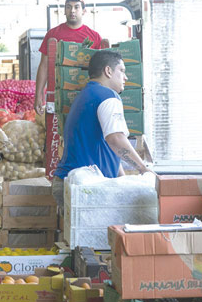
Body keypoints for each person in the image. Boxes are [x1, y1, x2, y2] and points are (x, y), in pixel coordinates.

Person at [51, 50, 153, 208]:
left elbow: (109, 147)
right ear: (108, 71)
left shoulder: (86, 95)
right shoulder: (108, 97)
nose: (125, 77)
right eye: (122, 71)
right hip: (84, 188)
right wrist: (143, 169)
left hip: (72, 183)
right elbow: (116, 139)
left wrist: (122, 180)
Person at [35, 0, 102, 115]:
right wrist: (38, 95)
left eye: (76, 7)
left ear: (83, 11)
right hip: (57, 95)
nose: (72, 10)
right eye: (68, 7)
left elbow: (101, 70)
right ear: (64, 10)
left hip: (86, 96)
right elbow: (44, 66)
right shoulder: (52, 34)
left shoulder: (94, 37)